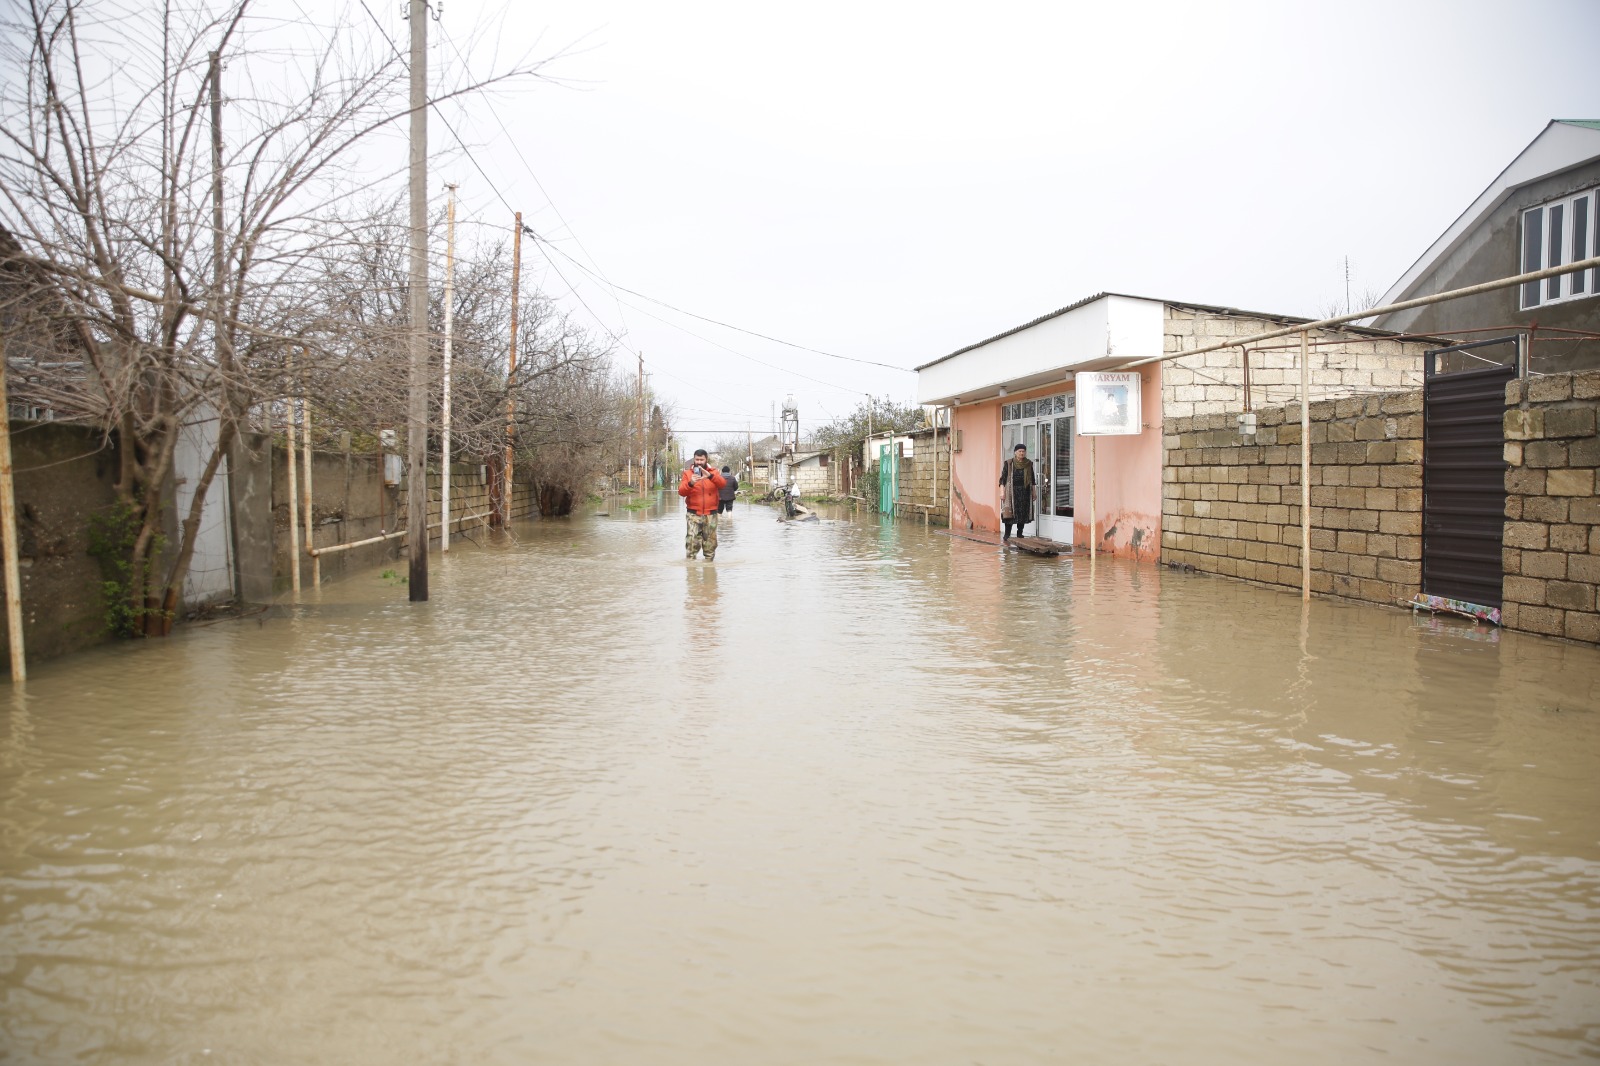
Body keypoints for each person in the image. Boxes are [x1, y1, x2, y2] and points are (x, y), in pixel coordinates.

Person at [678, 449, 726, 560]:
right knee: (691, 541)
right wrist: (691, 483)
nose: (699, 462)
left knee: (710, 543)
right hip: (693, 513)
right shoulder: (687, 473)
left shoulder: (713, 472)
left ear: (706, 460)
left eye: (701, 459)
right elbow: (681, 492)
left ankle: (709, 569)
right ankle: (691, 569)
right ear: (694, 459)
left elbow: (722, 484)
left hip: (711, 514)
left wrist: (710, 476)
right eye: (697, 459)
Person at [999, 442, 1036, 541]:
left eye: (1023, 451)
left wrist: (1034, 492)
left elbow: (1032, 479)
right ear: (1015, 452)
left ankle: (1020, 534)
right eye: (1019, 451)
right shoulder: (1009, 463)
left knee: (1022, 513)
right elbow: (1002, 479)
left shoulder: (1028, 464)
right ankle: (1007, 536)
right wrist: (1002, 492)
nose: (1021, 453)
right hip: (1011, 492)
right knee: (1009, 515)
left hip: (1024, 492)